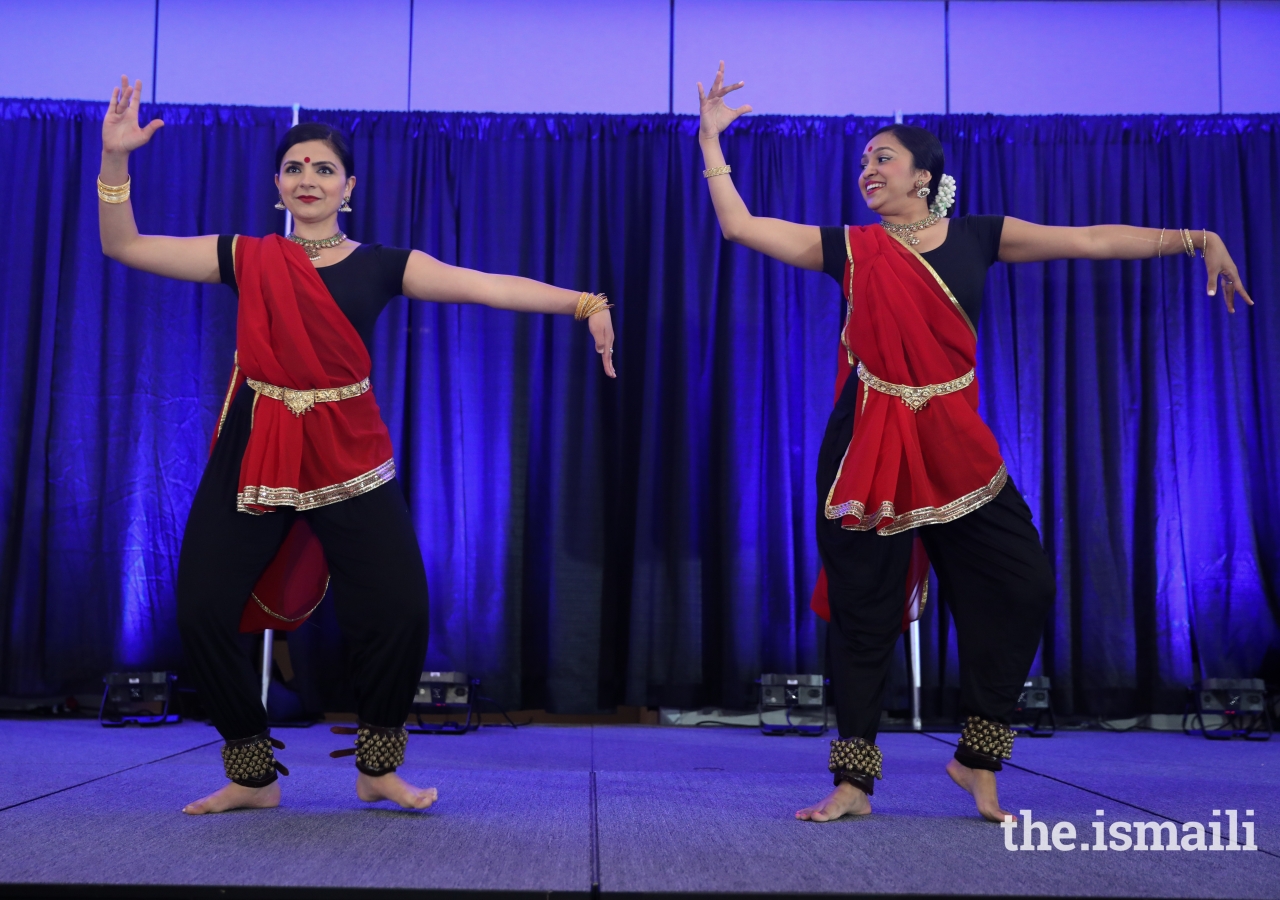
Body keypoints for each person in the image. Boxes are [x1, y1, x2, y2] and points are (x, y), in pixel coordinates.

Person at [695, 62, 1252, 824]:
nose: (868, 170)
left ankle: (977, 760)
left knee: (1022, 587)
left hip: (957, 449)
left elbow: (1089, 239)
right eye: (863, 163)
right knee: (864, 617)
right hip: (869, 447)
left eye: (882, 158)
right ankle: (853, 784)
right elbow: (740, 226)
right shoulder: (851, 249)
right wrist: (709, 142)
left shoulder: (982, 237)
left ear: (925, 175)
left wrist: (1196, 238)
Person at [98, 76, 616, 815]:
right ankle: (252, 775)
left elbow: (481, 286)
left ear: (349, 187)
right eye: (295, 167)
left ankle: (378, 766)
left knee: (400, 610)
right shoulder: (248, 257)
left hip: (347, 447)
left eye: (323, 169)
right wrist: (115, 160)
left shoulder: (381, 264)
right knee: (203, 607)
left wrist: (583, 303)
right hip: (260, 442)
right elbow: (123, 245)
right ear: (278, 184)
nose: (308, 179)